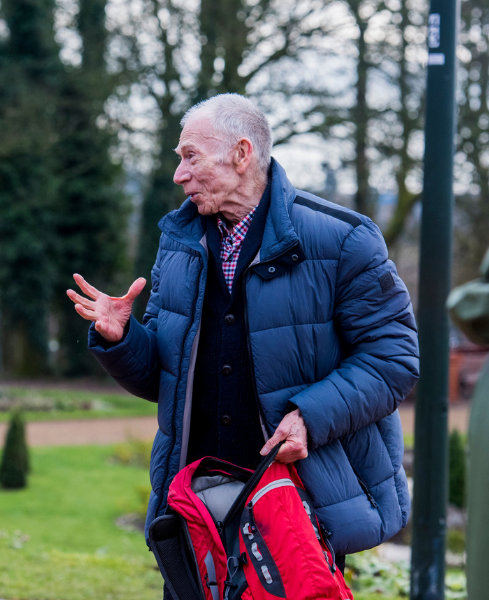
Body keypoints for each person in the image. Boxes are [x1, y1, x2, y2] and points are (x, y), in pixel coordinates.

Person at [67, 94, 419, 575]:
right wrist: (121, 338)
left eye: (190, 156)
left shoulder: (344, 239)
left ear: (241, 153)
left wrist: (309, 418)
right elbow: (165, 379)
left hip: (299, 506)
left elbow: (393, 358)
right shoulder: (179, 243)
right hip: (195, 507)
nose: (178, 174)